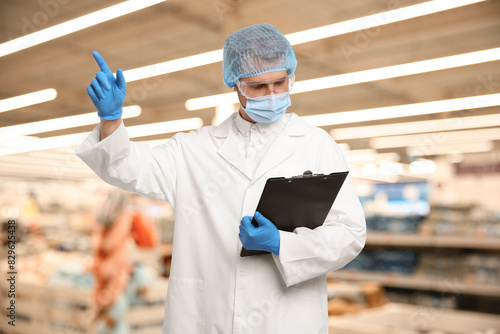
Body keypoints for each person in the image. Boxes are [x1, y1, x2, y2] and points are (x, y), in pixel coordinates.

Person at [76, 23, 366, 334]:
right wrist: (111, 120)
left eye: (280, 83)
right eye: (258, 87)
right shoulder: (194, 149)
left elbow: (350, 233)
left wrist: (285, 244)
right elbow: (127, 167)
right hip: (207, 316)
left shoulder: (316, 144)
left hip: (287, 318)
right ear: (236, 85)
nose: (271, 95)